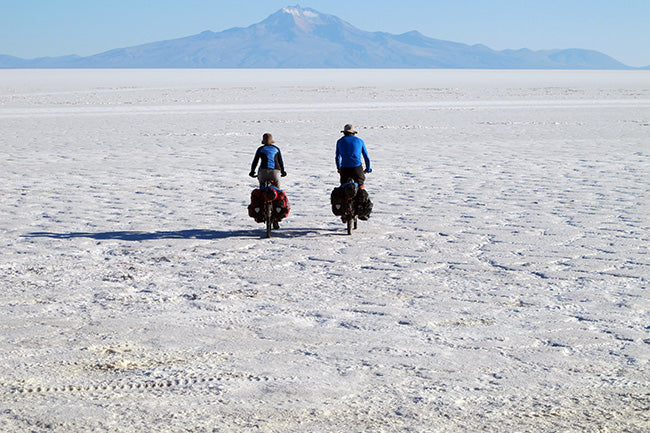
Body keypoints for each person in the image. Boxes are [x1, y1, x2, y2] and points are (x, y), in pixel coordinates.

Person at [335, 124, 371, 188]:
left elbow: (337, 157)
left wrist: (339, 168)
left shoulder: (340, 141)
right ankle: (361, 192)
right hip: (357, 168)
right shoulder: (360, 141)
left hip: (345, 168)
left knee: (344, 187)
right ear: (353, 133)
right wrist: (368, 169)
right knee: (360, 185)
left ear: (344, 133)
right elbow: (366, 157)